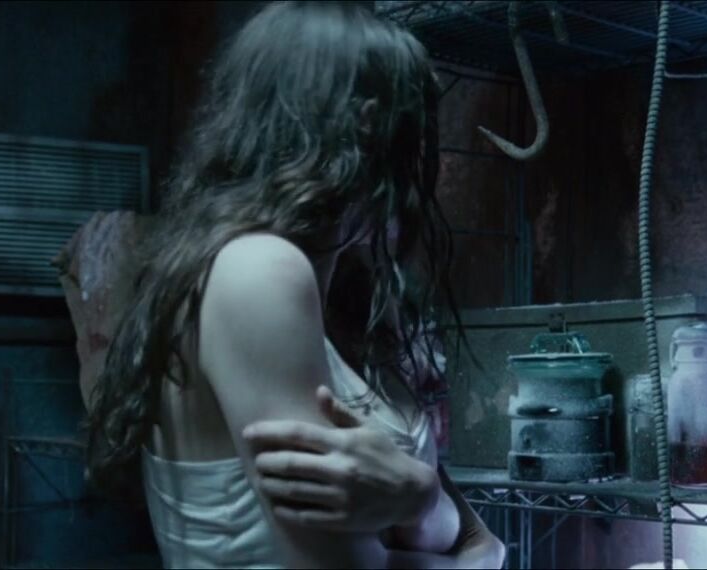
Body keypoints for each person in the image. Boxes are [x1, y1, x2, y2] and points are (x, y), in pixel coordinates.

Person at [80, 2, 505, 568]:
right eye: (416, 136)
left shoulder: (331, 296)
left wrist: (421, 501)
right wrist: (478, 553)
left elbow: (447, 524)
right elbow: (351, 564)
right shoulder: (259, 270)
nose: (425, 165)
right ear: (369, 126)